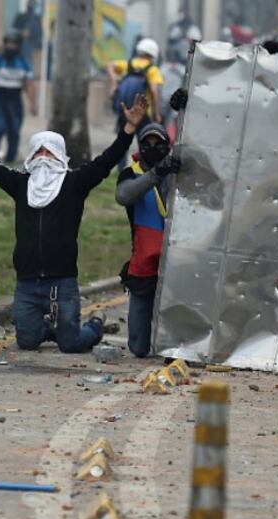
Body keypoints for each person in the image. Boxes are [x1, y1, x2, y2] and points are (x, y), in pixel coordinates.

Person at [0, 95, 149, 353]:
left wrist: (128, 130)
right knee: (27, 341)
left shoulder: (74, 184)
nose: (44, 158)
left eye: (50, 152)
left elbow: (106, 161)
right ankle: (47, 329)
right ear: (31, 156)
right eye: (39, 152)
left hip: (62, 282)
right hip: (27, 283)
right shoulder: (21, 184)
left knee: (71, 344)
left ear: (60, 156)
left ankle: (94, 328)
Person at [115, 122, 180, 358]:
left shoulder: (178, 169)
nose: (153, 148)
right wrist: (156, 173)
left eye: (159, 143)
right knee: (138, 348)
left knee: (174, 347)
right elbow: (123, 196)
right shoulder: (131, 173)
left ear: (168, 145)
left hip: (179, 260)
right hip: (145, 262)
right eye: (147, 143)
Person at [0, 31, 35, 162]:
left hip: (15, 100)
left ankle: (10, 158)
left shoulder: (24, 63)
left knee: (14, 130)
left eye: (14, 44)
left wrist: (32, 103)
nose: (11, 46)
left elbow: (30, 84)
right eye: (9, 43)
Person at [106, 38, 163, 134]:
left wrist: (114, 83)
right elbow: (154, 92)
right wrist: (156, 113)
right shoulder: (153, 70)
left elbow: (110, 65)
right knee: (144, 141)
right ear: (153, 54)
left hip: (125, 110)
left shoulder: (128, 64)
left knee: (122, 142)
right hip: (142, 112)